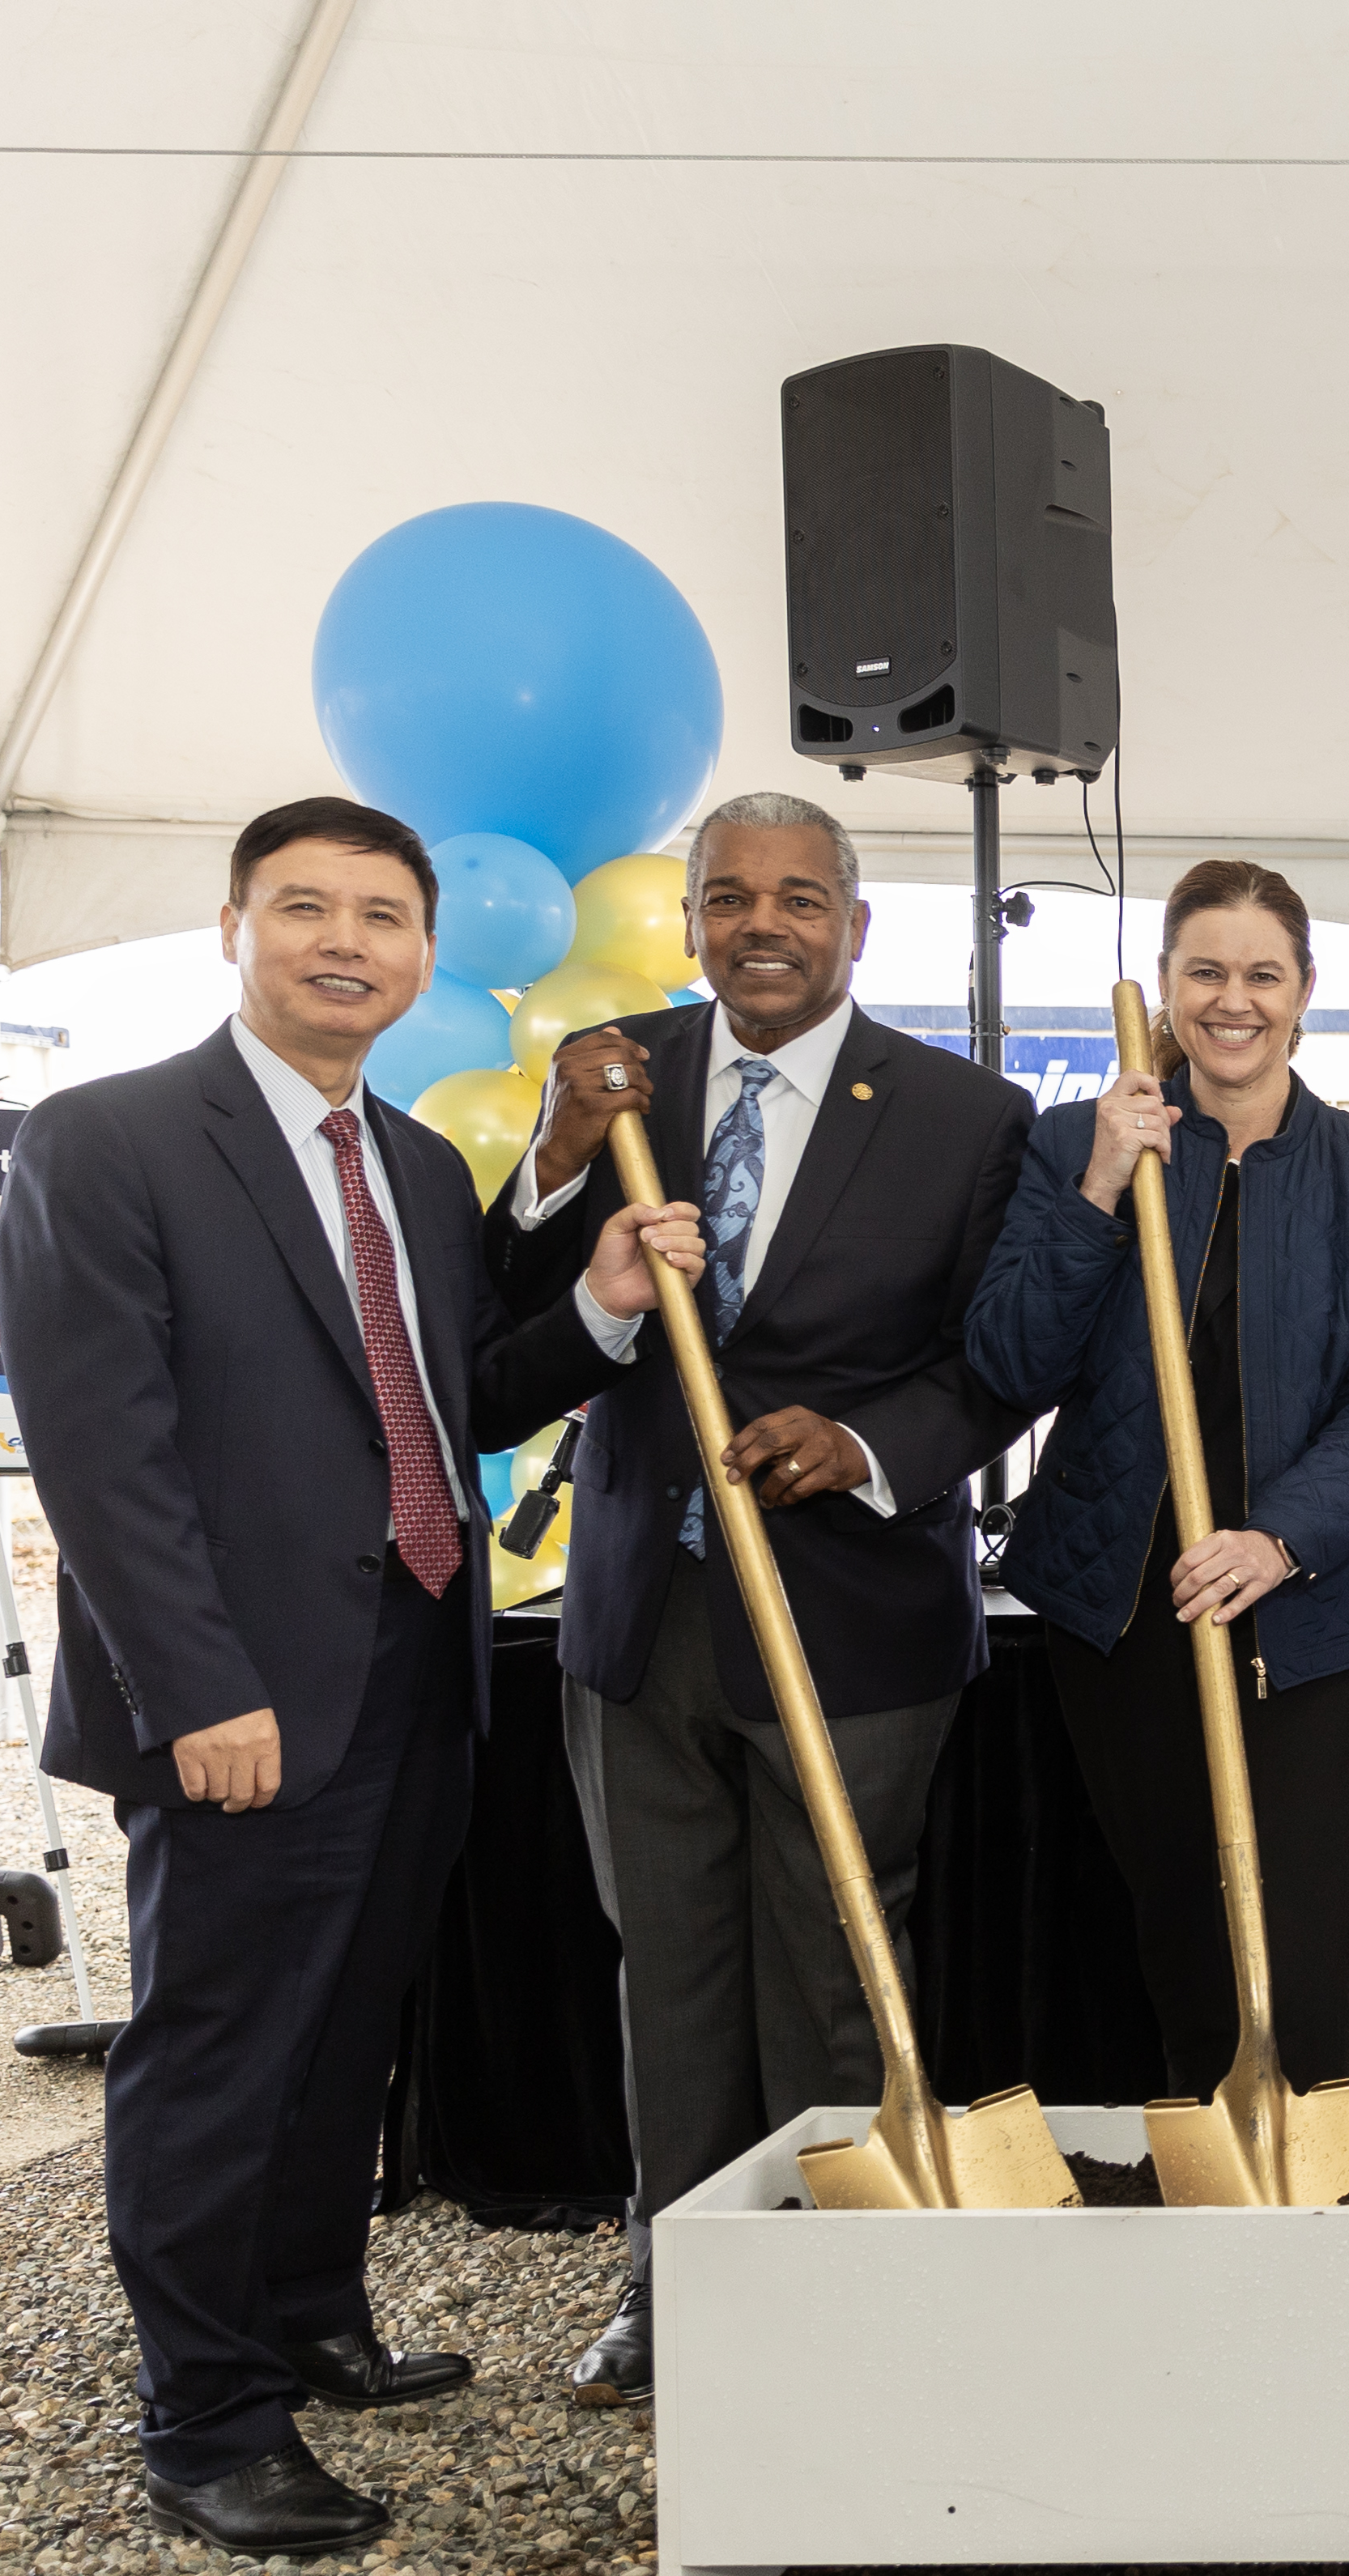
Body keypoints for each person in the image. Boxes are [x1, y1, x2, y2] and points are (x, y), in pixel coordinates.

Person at [0, 797, 694, 2553]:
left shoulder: (416, 1164)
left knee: (349, 2020)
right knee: (223, 2045)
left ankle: (309, 2312)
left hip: (414, 1653)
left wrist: (605, 1306)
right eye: (303, 906)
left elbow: (460, 1401)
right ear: (232, 927)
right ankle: (206, 2416)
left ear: (422, 952)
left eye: (381, 916)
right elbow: (103, 1454)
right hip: (239, 1688)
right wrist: (196, 1688)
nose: (344, 942)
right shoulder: (107, 1139)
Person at [496, 791, 1038, 2408]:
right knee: (665, 1971)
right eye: (728, 897)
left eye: (800, 898)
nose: (762, 926)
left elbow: (999, 1365)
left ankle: (836, 2285)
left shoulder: (965, 1113)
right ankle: (671, 2284)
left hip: (852, 1618)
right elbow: (502, 1314)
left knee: (833, 1967)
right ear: (690, 923)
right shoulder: (612, 1077)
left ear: (854, 926)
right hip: (635, 1618)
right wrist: (555, 1158)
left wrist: (867, 1446)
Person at [967, 860, 1349, 2099]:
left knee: (1296, 1946)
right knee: (1181, 1932)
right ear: (1163, 987)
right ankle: (1208, 2183)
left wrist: (1277, 1540)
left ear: (1304, 991)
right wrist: (1097, 1189)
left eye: (1261, 974)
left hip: (1312, 1608)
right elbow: (1009, 1363)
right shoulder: (1075, 1144)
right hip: (1123, 1604)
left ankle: (1305, 2185)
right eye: (1205, 972)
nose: (1232, 1000)